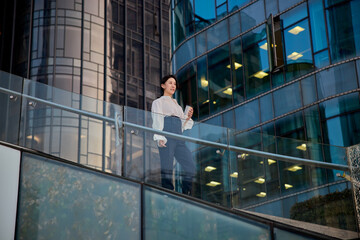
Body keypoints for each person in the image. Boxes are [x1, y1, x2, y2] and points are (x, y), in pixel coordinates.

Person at [151, 75, 196, 195]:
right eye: (170, 83)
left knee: (190, 166)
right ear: (163, 85)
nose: (173, 86)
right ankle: (168, 193)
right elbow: (157, 119)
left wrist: (187, 117)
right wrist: (160, 137)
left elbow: (182, 125)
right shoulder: (158, 102)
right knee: (167, 166)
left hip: (178, 135)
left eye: (175, 84)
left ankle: (186, 192)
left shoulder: (177, 105)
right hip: (166, 132)